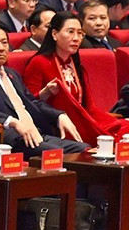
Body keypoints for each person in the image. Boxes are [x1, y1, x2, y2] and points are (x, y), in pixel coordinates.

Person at [20, 12, 126, 143]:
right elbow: (28, 105)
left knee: (123, 129)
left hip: (81, 121)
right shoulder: (39, 62)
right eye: (70, 32)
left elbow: (89, 107)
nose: (76, 38)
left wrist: (110, 122)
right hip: (56, 125)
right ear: (54, 34)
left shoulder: (76, 65)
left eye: (80, 33)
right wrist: (44, 93)